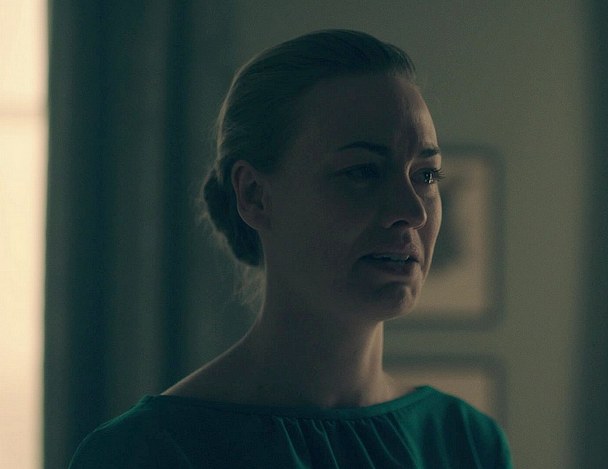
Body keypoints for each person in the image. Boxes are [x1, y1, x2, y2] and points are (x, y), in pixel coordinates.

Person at [69, 29, 512, 468]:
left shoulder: (465, 441)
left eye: (427, 175)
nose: (411, 211)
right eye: (362, 171)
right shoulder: (149, 452)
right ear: (255, 196)